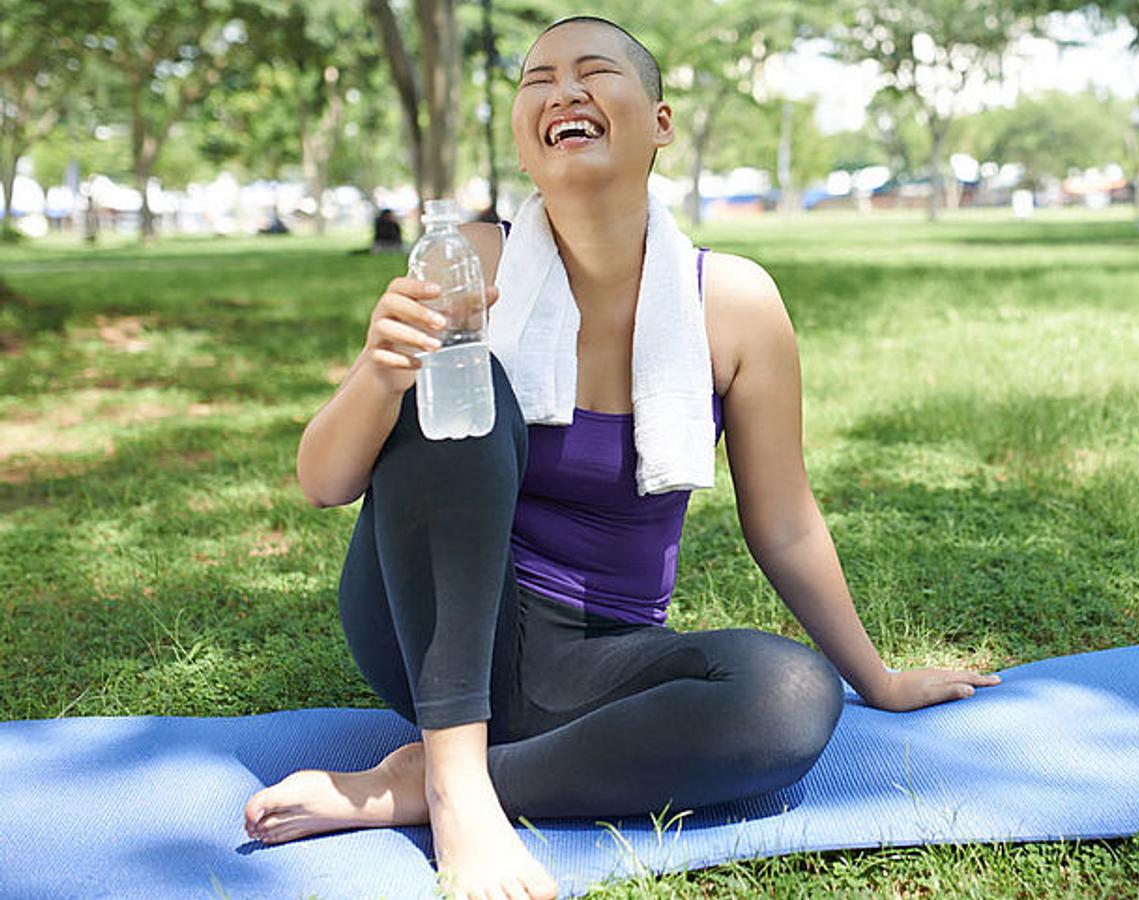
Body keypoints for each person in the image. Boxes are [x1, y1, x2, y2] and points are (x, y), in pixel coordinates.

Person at [242, 14, 1002, 900]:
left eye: (594, 71)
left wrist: (877, 679)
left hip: (600, 662)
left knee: (791, 693)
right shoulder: (468, 264)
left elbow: (785, 521)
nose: (562, 90)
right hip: (438, 628)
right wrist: (379, 373)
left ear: (661, 123)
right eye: (538, 80)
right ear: (527, 142)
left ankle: (411, 786)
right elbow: (323, 480)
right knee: (469, 388)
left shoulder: (735, 303)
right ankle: (455, 785)